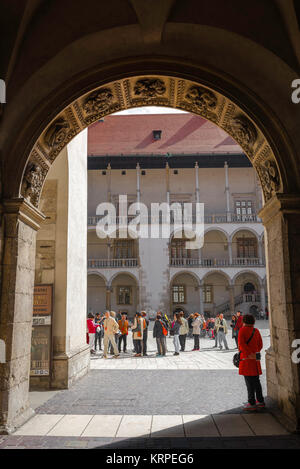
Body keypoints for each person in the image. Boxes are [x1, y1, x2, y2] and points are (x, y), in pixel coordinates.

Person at [238, 314, 265, 411]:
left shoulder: (242, 330)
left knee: (249, 382)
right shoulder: (256, 331)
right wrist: (255, 352)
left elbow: (241, 345)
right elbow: (260, 344)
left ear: (244, 321)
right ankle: (260, 401)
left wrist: (249, 353)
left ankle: (252, 402)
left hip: (247, 358)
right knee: (257, 381)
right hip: (255, 358)